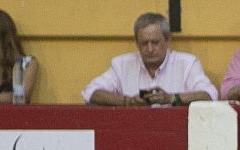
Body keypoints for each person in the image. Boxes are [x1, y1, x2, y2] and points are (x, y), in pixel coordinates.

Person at [82, 12, 217, 107]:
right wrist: (127, 102)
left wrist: (172, 98)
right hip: (132, 132)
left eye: (155, 42)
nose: (150, 48)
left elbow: (210, 95)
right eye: (144, 43)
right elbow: (90, 92)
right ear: (136, 43)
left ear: (167, 40)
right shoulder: (122, 65)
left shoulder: (187, 63)